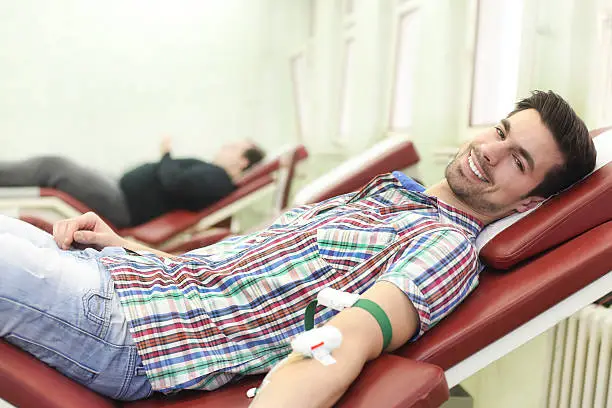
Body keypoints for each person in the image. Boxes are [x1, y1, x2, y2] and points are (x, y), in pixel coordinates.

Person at [0, 91, 596, 407]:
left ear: (526, 203)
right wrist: (125, 247)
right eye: (500, 133)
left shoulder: (444, 247)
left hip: (128, 331)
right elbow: (236, 269)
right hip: (127, 280)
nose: (491, 152)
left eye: (519, 161)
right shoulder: (393, 195)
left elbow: (346, 340)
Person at [0, 137, 265, 228]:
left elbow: (173, 183)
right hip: (120, 191)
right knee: (62, 166)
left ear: (243, 162)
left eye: (233, 147)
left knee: (53, 166)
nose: (224, 147)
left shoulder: (217, 178)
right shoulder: (212, 174)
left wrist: (166, 154)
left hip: (122, 207)